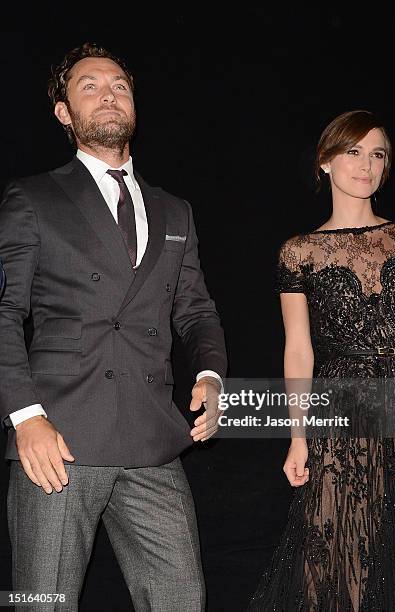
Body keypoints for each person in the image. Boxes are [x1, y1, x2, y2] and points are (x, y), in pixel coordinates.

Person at [0, 42, 227, 612]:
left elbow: (195, 308)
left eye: (120, 85)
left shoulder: (176, 210)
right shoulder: (31, 198)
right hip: (58, 443)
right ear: (64, 112)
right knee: (40, 602)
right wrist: (25, 418)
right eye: (90, 86)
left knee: (182, 600)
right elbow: (5, 312)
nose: (109, 95)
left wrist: (210, 374)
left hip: (152, 441)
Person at [248, 110, 395, 610]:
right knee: (336, 553)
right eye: (353, 151)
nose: (366, 165)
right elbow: (298, 349)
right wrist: (296, 437)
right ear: (325, 162)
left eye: (377, 154)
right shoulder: (298, 251)